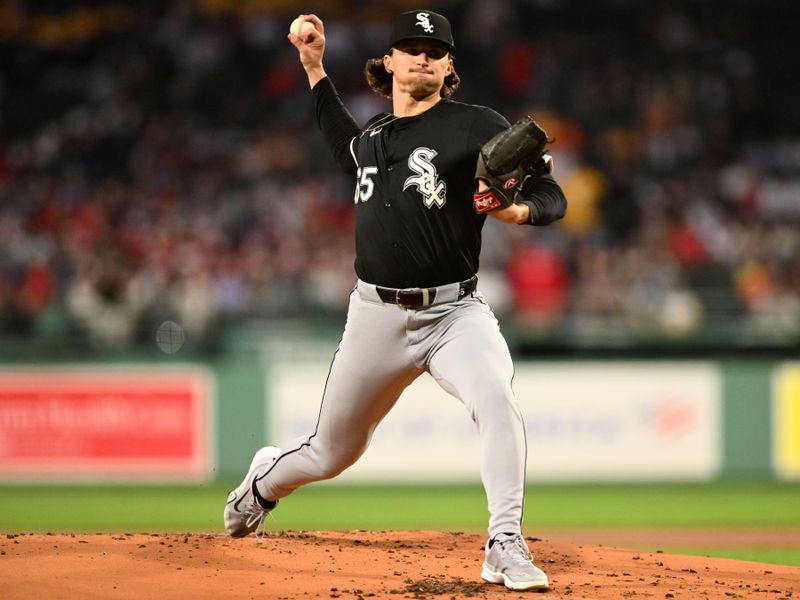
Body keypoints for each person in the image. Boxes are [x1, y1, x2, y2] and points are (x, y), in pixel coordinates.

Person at [224, 9, 567, 591]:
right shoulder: (373, 138)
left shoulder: (476, 124)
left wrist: (516, 209)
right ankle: (260, 486)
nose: (423, 56)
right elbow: (340, 138)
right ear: (389, 62)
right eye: (410, 47)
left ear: (450, 65)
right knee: (331, 454)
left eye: (435, 50)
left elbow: (550, 192)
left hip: (454, 312)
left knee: (495, 398)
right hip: (374, 317)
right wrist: (313, 67)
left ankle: (504, 541)